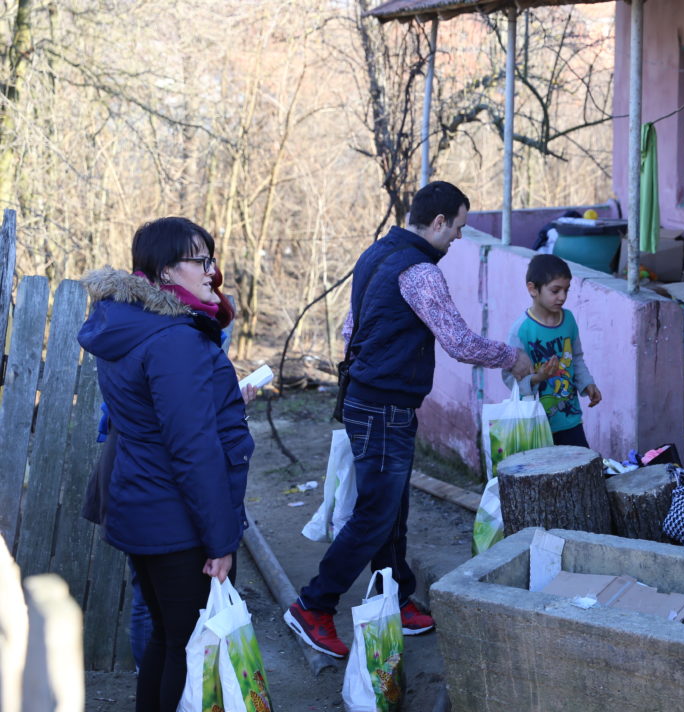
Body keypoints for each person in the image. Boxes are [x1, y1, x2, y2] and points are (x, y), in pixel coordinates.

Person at [284, 181, 533, 659]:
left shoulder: (376, 254)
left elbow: (349, 328)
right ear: (438, 222)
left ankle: (393, 595)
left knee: (391, 508)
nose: (460, 237)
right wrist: (510, 357)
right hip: (382, 407)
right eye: (458, 227)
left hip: (371, 399)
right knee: (376, 514)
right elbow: (458, 342)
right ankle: (313, 605)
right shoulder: (420, 272)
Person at [78, 217, 255, 712]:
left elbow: (160, 418)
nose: (211, 271)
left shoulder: (131, 323)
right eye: (200, 260)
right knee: (190, 645)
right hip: (175, 519)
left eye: (210, 258)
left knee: (168, 637)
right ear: (164, 272)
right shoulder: (174, 339)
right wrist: (221, 540)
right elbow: (193, 447)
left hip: (143, 503)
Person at [502, 253, 601, 447]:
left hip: (570, 419)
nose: (562, 297)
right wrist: (539, 377)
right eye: (555, 291)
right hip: (535, 423)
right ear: (533, 289)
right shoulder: (521, 330)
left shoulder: (569, 320)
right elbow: (509, 378)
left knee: (581, 470)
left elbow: (577, 357)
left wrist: (587, 383)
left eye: (566, 290)